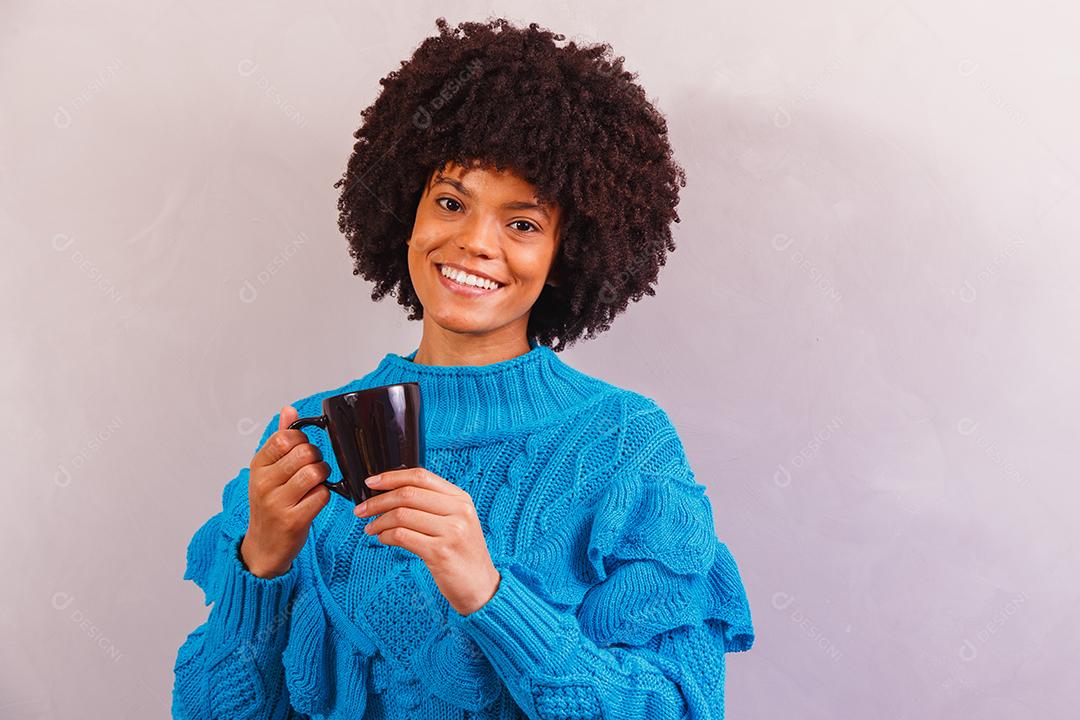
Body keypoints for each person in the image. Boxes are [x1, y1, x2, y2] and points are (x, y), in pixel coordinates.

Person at [172, 16, 755, 720]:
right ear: (406, 215)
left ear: (569, 251)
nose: (475, 243)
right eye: (451, 203)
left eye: (522, 223)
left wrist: (485, 590)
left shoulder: (625, 444)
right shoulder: (314, 442)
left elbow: (677, 710)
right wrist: (259, 563)